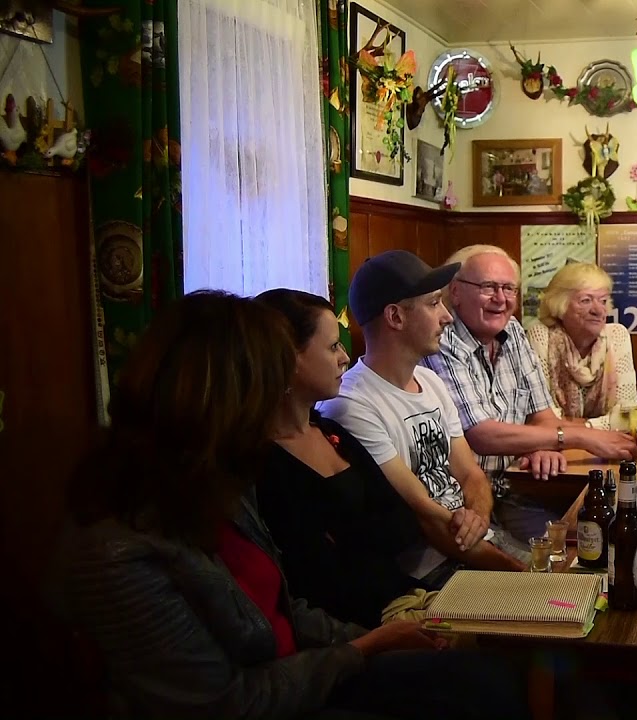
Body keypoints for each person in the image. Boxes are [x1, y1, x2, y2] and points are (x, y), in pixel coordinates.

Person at [59, 291, 527, 720]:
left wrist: (374, 642)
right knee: (479, 690)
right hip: (272, 698)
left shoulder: (214, 484)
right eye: (266, 383)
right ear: (222, 397)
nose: (275, 403)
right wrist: (364, 648)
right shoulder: (119, 548)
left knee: (487, 681)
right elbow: (225, 703)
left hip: (302, 668)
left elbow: (282, 608)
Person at [315, 253, 523, 583]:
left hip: (477, 542)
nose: (447, 317)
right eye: (433, 304)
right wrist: (525, 575)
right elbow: (425, 517)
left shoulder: (430, 381)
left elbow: (471, 473)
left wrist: (478, 519)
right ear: (395, 317)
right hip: (430, 572)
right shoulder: (350, 404)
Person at [426, 244, 637, 544]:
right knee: (558, 558)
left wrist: (543, 444)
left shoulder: (511, 330)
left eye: (509, 288)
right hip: (465, 499)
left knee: (596, 539)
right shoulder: (441, 339)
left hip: (516, 486)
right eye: (488, 287)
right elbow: (481, 434)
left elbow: (543, 416)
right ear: (456, 292)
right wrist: (578, 437)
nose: (500, 299)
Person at [527, 262, 637, 429]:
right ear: (560, 304)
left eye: (603, 301)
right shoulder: (542, 336)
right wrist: (602, 425)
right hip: (556, 446)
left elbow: (627, 416)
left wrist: (580, 426)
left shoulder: (617, 335)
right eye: (586, 300)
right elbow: (542, 418)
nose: (598, 310)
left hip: (607, 446)